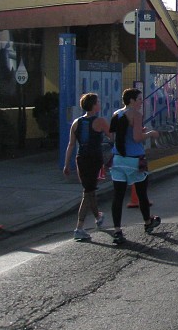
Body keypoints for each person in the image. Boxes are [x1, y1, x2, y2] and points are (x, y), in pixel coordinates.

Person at [109, 88, 162, 245]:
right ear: (131, 100)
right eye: (139, 99)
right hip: (135, 160)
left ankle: (117, 230)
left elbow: (113, 135)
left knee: (118, 196)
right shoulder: (136, 115)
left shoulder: (116, 114)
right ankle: (147, 222)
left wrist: (137, 131)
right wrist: (151, 134)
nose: (141, 102)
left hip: (118, 159)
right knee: (141, 193)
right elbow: (137, 138)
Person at [63, 92, 111, 241]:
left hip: (81, 158)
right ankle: (79, 227)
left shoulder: (76, 122)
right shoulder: (100, 121)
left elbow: (71, 144)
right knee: (88, 192)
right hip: (94, 158)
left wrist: (66, 164)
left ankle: (98, 217)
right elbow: (112, 136)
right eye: (98, 102)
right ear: (93, 105)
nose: (100, 103)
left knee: (90, 190)